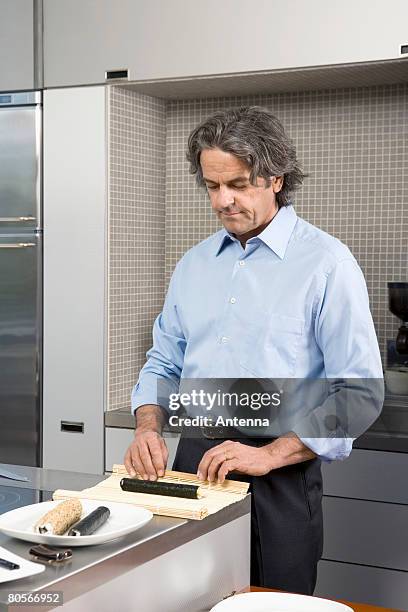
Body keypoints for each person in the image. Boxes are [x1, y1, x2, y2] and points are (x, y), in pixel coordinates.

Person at [124, 106, 383, 594]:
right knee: (184, 599)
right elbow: (164, 361)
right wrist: (147, 427)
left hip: (278, 473)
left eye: (238, 184)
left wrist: (269, 455)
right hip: (193, 464)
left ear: (276, 177)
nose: (223, 201)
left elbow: (361, 393)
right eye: (211, 186)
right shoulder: (193, 265)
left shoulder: (327, 264)